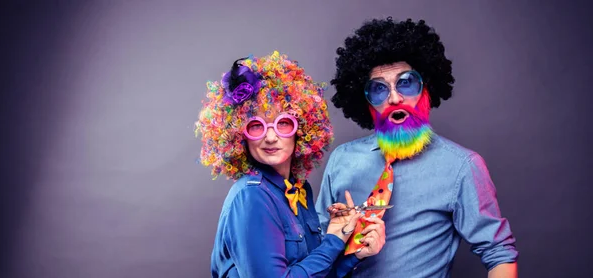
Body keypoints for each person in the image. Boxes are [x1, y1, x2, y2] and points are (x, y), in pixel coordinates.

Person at [315, 18, 519, 277]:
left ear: (427, 91)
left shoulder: (462, 166)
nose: (395, 98)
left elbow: (499, 253)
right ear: (366, 103)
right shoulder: (342, 160)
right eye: (379, 89)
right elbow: (318, 248)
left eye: (406, 82)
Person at [196, 51, 386, 278]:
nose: (270, 137)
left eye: (283, 123)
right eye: (256, 125)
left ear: (302, 129)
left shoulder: (299, 191)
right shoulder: (252, 197)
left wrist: (355, 253)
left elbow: (315, 273)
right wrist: (334, 240)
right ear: (240, 134)